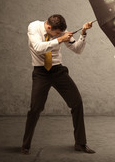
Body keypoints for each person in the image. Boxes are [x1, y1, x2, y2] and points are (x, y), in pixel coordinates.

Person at [21, 14, 95, 154]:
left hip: (58, 71)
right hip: (41, 72)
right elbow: (38, 47)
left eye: (61, 33)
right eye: (56, 33)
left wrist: (83, 33)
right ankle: (25, 145)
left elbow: (77, 49)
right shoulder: (34, 27)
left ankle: (80, 143)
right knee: (35, 109)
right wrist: (60, 39)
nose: (59, 35)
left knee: (77, 103)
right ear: (49, 27)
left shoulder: (60, 32)